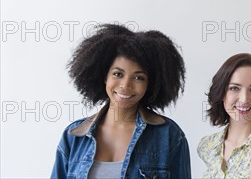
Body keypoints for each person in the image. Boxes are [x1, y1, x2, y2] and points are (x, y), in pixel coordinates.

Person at [51, 23, 191, 179]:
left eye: (139, 77)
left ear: (150, 84)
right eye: (118, 74)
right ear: (105, 76)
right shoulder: (74, 136)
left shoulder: (169, 135)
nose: (125, 85)